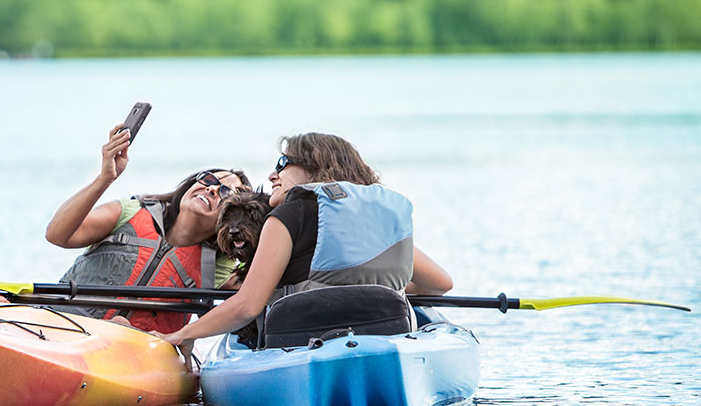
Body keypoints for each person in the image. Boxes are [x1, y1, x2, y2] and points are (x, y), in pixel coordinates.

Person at [159, 132, 452, 348]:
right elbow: (440, 284)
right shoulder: (378, 221)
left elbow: (246, 307)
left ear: (314, 168)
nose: (273, 175)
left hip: (304, 343)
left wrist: (181, 335)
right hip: (385, 337)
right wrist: (383, 286)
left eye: (283, 163)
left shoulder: (287, 216)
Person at [46, 123, 252, 333]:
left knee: (121, 326)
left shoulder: (219, 263)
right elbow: (57, 235)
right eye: (209, 179)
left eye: (226, 193)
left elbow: (257, 291)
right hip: (63, 326)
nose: (212, 188)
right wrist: (104, 179)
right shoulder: (130, 211)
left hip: (132, 350)